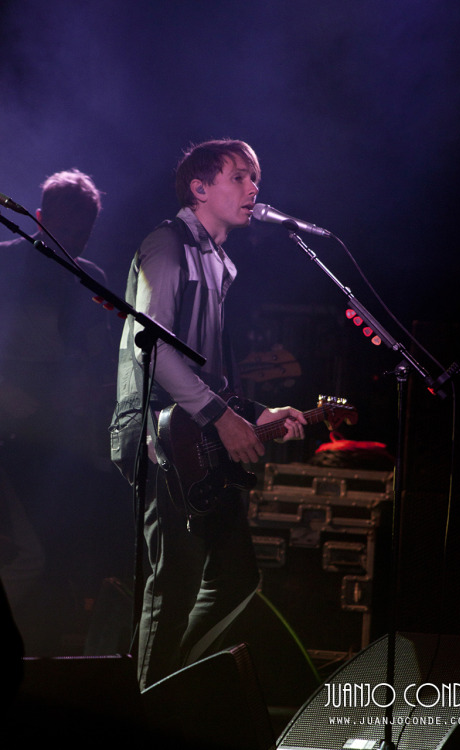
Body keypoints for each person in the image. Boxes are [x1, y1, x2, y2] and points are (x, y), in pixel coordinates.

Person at [110, 139, 307, 690]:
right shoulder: (167, 246)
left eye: (256, 178)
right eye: (240, 177)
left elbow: (207, 372)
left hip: (194, 430)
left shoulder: (220, 264)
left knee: (236, 578)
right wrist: (223, 417)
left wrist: (256, 411)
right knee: (172, 584)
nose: (254, 188)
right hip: (156, 432)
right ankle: (149, 709)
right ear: (200, 189)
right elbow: (154, 348)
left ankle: (169, 683)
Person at [0, 168, 110, 648]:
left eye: (81, 231)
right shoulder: (5, 265)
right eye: (63, 228)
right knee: (30, 555)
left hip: (59, 444)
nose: (71, 240)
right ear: (39, 217)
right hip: (10, 434)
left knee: (55, 560)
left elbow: (101, 365)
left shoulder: (92, 280)